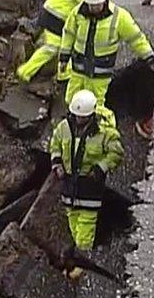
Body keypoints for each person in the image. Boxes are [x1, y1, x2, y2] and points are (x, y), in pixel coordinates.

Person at [59, 0, 154, 138]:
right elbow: (69, 35)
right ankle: (72, 131)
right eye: (91, 5)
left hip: (100, 74)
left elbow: (136, 39)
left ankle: (100, 136)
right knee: (72, 98)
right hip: (78, 70)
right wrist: (63, 58)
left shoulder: (119, 17)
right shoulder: (77, 13)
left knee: (97, 104)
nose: (94, 9)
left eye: (97, 5)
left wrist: (150, 59)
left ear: (105, 0)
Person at [49, 89, 124, 254]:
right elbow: (55, 145)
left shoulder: (104, 132)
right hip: (70, 189)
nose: (79, 120)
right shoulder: (64, 128)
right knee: (73, 227)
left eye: (83, 117)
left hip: (90, 189)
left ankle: (83, 262)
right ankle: (77, 257)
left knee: (84, 235)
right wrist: (57, 163)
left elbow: (116, 153)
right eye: (77, 115)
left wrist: (100, 168)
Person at [16, 0, 100, 84]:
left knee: (62, 45)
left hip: (52, 13)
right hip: (56, 17)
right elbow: (86, 2)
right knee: (54, 47)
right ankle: (26, 71)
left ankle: (63, 72)